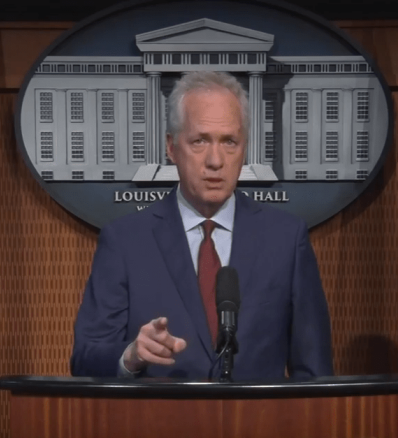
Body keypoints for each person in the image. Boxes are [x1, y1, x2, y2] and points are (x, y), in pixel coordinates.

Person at [70, 71, 333, 380]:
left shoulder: (286, 239)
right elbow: (85, 357)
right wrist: (131, 356)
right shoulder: (126, 241)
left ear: (244, 148)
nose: (215, 161)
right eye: (200, 141)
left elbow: (314, 371)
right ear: (171, 148)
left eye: (229, 142)